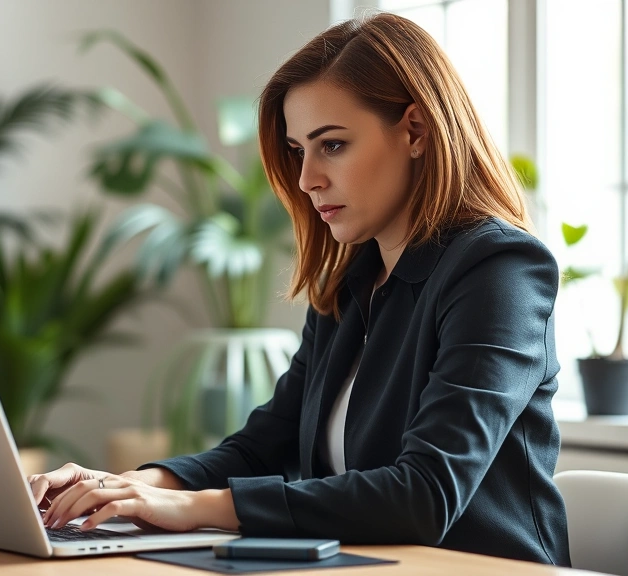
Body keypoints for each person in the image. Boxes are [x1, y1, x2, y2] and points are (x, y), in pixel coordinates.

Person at [29, 12, 570, 566]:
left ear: (416, 130)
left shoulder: (500, 270)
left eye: (331, 145)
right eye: (297, 150)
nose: (307, 177)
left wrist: (196, 508)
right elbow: (265, 445)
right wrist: (128, 487)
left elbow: (425, 494)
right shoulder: (350, 283)